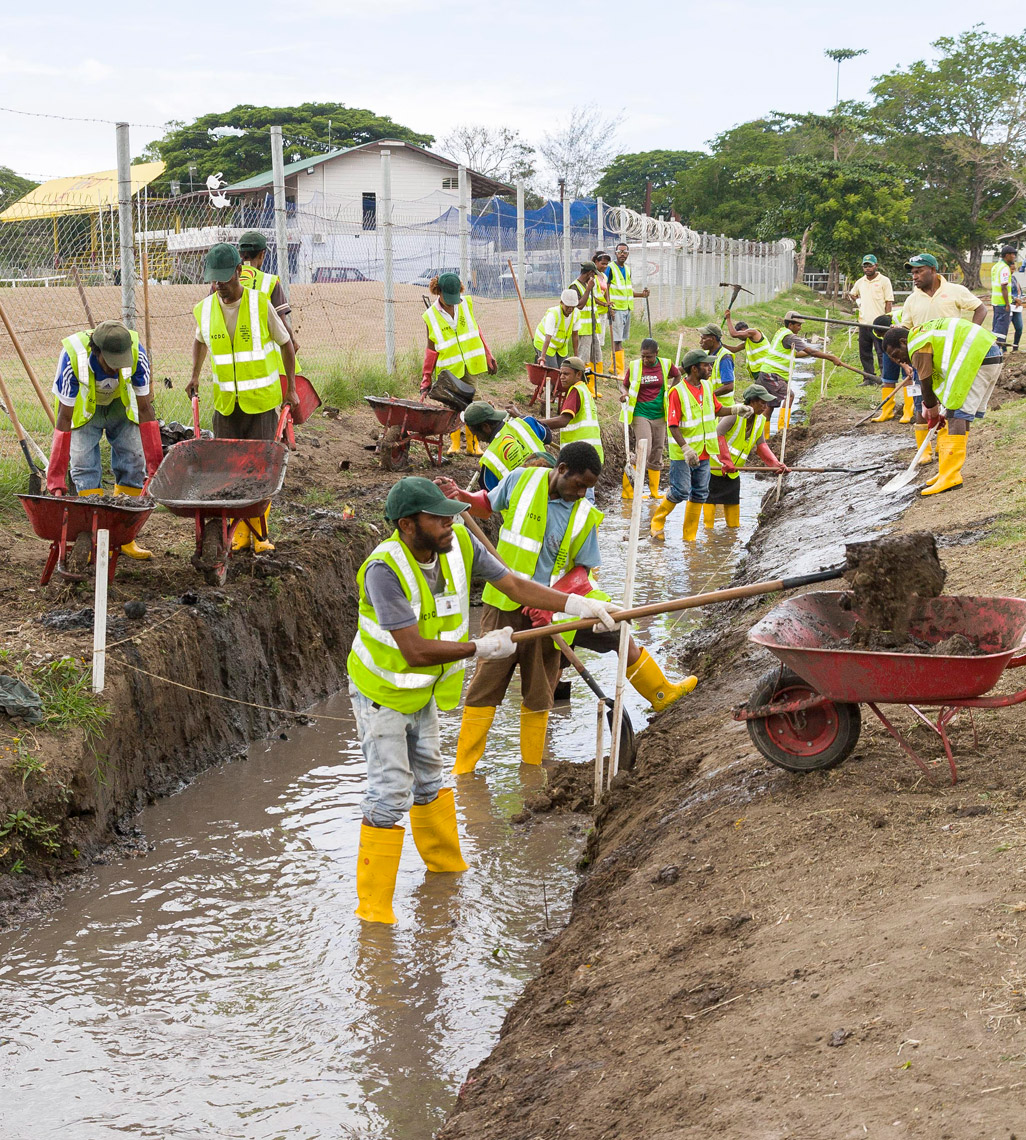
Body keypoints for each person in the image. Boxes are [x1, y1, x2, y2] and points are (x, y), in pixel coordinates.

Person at [348, 476, 620, 924]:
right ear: (407, 524)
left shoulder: (459, 548)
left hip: (422, 693)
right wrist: (480, 648)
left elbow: (514, 585)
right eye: (438, 517)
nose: (451, 523)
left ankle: (445, 871)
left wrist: (573, 607)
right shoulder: (385, 570)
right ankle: (374, 914)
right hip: (381, 694)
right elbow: (413, 650)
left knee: (432, 781)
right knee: (389, 793)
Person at [439, 443, 693, 774]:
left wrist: (552, 603)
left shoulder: (585, 513)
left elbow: (581, 571)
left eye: (589, 487)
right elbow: (485, 505)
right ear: (561, 470)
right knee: (485, 685)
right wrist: (460, 494)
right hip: (502, 604)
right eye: (579, 484)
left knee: (539, 691)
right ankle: (464, 771)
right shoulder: (521, 480)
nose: (582, 492)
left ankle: (531, 770)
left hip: (548, 613)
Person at [188, 243, 298, 553]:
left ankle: (259, 533)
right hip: (226, 405)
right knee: (229, 470)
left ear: (239, 271)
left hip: (260, 403)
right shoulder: (206, 309)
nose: (219, 286)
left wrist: (290, 388)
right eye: (214, 280)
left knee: (261, 469)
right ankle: (237, 531)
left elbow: (286, 344)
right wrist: (194, 374)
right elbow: (199, 341)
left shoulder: (259, 304)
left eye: (224, 279)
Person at [46, 320, 164, 560]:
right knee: (82, 463)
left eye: (121, 364)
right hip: (83, 410)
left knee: (133, 457)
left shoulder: (137, 355)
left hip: (119, 406)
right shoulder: (72, 358)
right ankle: (93, 535)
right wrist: (56, 476)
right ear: (96, 351)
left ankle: (124, 535)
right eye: (112, 364)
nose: (117, 369)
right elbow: (64, 416)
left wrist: (155, 466)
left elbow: (145, 409)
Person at [882, 318, 1002, 496]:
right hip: (985, 354)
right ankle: (946, 471)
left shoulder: (917, 346)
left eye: (895, 353)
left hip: (978, 357)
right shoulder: (920, 336)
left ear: (903, 342)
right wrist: (933, 407)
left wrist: (931, 409)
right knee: (955, 411)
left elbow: (926, 382)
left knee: (956, 413)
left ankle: (951, 476)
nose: (896, 360)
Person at [650, 349, 754, 542]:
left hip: (705, 450)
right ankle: (657, 521)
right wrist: (685, 448)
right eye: (706, 365)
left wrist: (736, 409)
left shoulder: (706, 388)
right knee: (680, 490)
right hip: (684, 453)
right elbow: (672, 425)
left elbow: (717, 409)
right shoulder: (677, 392)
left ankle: (689, 538)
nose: (710, 368)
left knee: (700, 492)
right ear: (694, 368)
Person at [421, 272, 497, 457]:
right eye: (449, 299)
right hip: (450, 369)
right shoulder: (430, 316)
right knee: (453, 405)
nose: (453, 303)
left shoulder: (466, 304)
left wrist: (488, 354)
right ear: (438, 292)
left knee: (475, 402)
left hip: (471, 363)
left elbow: (477, 331)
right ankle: (455, 443)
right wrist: (426, 378)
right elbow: (431, 349)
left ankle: (473, 444)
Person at [704, 384, 788, 529]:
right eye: (762, 403)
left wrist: (775, 463)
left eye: (766, 403)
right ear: (752, 402)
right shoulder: (734, 414)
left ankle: (730, 538)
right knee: (709, 521)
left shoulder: (760, 420)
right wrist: (726, 460)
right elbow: (717, 435)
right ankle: (708, 542)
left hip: (732, 472)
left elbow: (761, 445)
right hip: (713, 468)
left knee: (733, 518)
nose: (765, 407)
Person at [759, 312, 844, 432]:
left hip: (767, 373)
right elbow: (811, 351)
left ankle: (764, 437)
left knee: (769, 406)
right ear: (790, 325)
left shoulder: (781, 332)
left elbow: (798, 354)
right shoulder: (790, 337)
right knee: (790, 395)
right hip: (772, 375)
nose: (800, 328)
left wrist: (822, 354)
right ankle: (782, 430)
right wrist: (831, 358)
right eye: (798, 325)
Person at [533, 357, 604, 496]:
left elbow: (563, 420)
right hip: (590, 455)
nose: (562, 377)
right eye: (561, 373)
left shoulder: (575, 391)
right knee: (585, 500)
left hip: (580, 458)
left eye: (566, 374)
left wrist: (534, 423)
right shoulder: (584, 390)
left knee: (582, 501)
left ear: (578, 375)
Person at [619, 337, 678, 500]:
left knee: (657, 450)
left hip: (659, 413)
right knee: (644, 448)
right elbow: (625, 384)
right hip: (640, 413)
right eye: (643, 356)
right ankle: (629, 491)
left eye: (649, 356)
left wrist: (672, 390)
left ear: (656, 354)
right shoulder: (635, 366)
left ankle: (653, 491)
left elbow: (677, 375)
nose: (645, 359)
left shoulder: (666, 364)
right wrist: (624, 393)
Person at [237, 230, 298, 374]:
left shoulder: (224, 282)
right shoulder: (269, 282)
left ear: (240, 255)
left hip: (235, 359)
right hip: (266, 363)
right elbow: (281, 322)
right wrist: (292, 341)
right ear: (262, 254)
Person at [461, 400, 551, 489]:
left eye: (475, 433)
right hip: (553, 489)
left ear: (486, 427)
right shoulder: (526, 423)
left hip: (528, 502)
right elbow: (548, 437)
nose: (477, 438)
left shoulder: (489, 461)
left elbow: (492, 498)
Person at [899, 253, 987, 330]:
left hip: (950, 347)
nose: (914, 277)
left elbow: (981, 309)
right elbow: (906, 327)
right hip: (923, 349)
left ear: (933, 270)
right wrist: (898, 329)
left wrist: (971, 333)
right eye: (913, 273)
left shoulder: (956, 290)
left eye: (919, 271)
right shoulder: (911, 299)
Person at [607, 242, 650, 378]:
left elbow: (627, 290)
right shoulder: (610, 268)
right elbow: (605, 288)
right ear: (615, 253)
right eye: (620, 252)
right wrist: (609, 306)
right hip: (616, 309)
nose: (622, 254)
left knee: (621, 339)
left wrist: (641, 295)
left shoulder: (627, 269)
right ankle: (618, 370)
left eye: (625, 252)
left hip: (626, 309)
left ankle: (615, 366)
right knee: (617, 340)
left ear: (628, 254)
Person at [847, 254, 894, 379]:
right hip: (863, 323)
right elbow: (852, 293)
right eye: (865, 266)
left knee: (881, 351)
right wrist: (858, 301)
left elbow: (889, 301)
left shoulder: (884, 281)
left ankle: (884, 377)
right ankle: (869, 377)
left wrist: (887, 319)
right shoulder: (860, 282)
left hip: (879, 323)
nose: (867, 268)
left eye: (870, 266)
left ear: (876, 266)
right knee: (865, 352)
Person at [568, 259, 607, 396]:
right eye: (593, 274)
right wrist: (589, 289)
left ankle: (591, 386)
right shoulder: (575, 287)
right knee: (582, 359)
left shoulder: (585, 285)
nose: (594, 277)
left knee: (595, 356)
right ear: (589, 273)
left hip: (591, 328)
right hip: (582, 329)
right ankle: (582, 387)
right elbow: (579, 305)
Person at [533, 290, 581, 368]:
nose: (570, 309)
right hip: (543, 342)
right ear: (561, 303)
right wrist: (542, 357)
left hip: (561, 346)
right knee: (553, 370)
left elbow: (575, 335)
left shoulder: (576, 314)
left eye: (573, 307)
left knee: (564, 369)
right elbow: (548, 337)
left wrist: (576, 356)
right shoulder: (553, 314)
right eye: (567, 306)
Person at [724, 310, 770, 382]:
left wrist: (728, 318)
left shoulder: (754, 332)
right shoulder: (748, 341)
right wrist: (720, 344)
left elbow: (734, 334)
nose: (739, 338)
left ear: (743, 330)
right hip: (759, 373)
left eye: (740, 335)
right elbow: (734, 349)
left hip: (766, 371)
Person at [991, 245, 1017, 351]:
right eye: (1012, 254)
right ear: (1007, 255)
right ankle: (997, 352)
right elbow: (1004, 287)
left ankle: (994, 350)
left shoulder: (996, 266)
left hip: (995, 302)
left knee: (995, 328)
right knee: (1001, 331)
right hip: (1002, 303)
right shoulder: (1005, 268)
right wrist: (1007, 303)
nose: (1014, 256)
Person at [699, 323, 735, 398]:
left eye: (704, 338)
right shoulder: (705, 354)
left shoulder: (725, 358)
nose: (700, 342)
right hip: (711, 405)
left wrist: (707, 396)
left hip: (723, 406)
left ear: (713, 339)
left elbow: (729, 386)